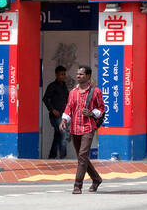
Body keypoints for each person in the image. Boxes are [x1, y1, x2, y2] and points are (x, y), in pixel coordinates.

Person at [60, 66, 105, 194]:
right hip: (74, 128)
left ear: (88, 76)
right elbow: (69, 107)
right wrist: (64, 120)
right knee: (82, 157)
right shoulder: (72, 92)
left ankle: (77, 185)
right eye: (77, 73)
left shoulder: (95, 91)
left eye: (81, 74)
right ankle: (96, 179)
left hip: (88, 127)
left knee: (82, 155)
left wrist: (91, 113)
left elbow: (102, 109)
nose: (78, 76)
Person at [43, 65, 70, 160]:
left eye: (64, 74)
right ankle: (63, 157)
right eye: (61, 74)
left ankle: (52, 156)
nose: (63, 76)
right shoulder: (52, 86)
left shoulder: (64, 86)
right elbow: (45, 99)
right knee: (63, 134)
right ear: (56, 75)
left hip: (63, 115)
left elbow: (67, 99)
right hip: (55, 115)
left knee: (58, 135)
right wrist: (52, 110)